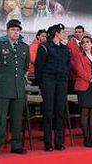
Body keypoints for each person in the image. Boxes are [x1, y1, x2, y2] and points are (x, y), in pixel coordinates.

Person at [0, 19, 30, 157]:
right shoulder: (0, 46)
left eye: (18, 30)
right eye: (13, 30)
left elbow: (26, 67)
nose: (15, 32)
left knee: (17, 118)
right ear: (7, 31)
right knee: (1, 119)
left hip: (18, 88)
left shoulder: (24, 47)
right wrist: (2, 79)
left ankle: (16, 145)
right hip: (4, 87)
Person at [34, 23, 70, 151]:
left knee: (60, 111)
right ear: (56, 33)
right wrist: (41, 83)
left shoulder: (65, 49)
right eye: (62, 31)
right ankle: (48, 142)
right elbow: (39, 66)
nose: (64, 33)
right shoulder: (44, 47)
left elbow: (67, 65)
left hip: (61, 81)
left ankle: (59, 141)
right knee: (48, 111)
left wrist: (65, 78)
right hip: (48, 81)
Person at [67, 25, 86, 94]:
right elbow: (69, 59)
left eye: (79, 32)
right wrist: (78, 69)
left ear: (83, 33)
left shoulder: (87, 44)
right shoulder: (69, 44)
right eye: (76, 32)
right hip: (73, 76)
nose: (77, 34)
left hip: (85, 77)